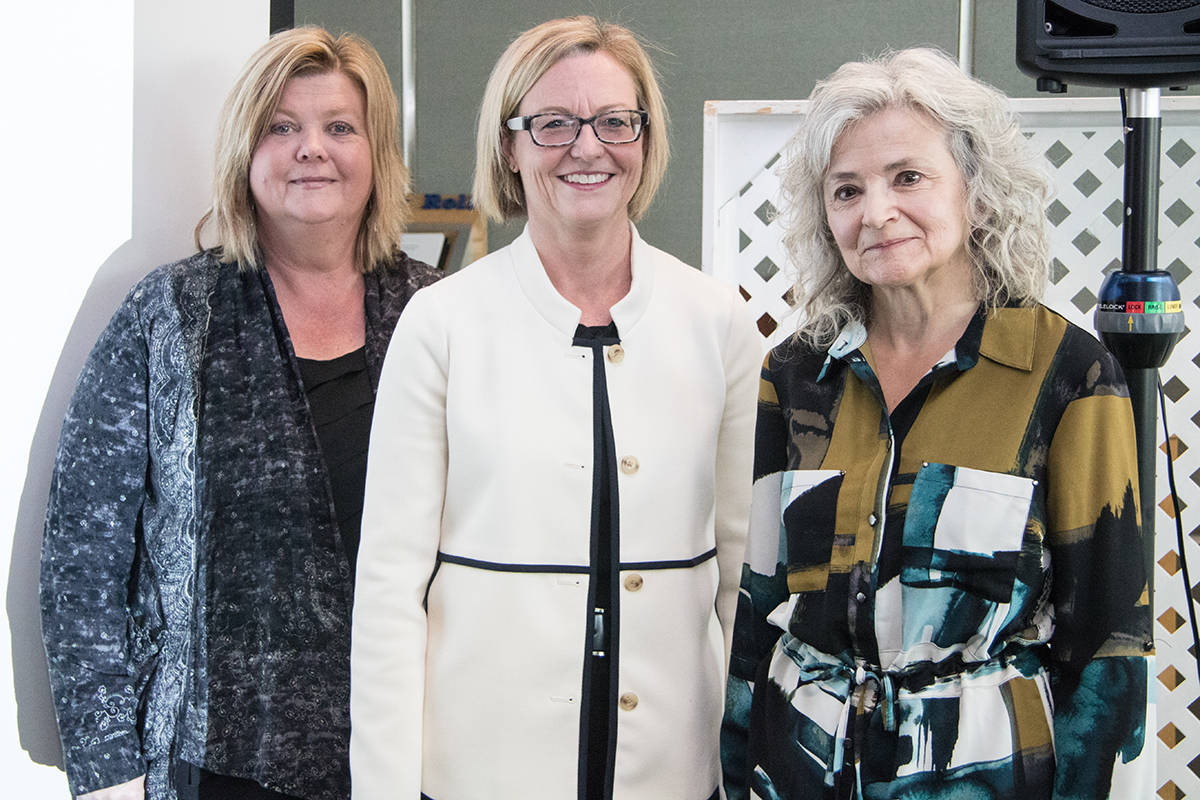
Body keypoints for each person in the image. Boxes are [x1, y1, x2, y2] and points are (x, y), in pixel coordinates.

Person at [349, 15, 761, 800]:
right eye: (553, 123)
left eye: (615, 121)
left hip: (675, 774)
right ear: (509, 145)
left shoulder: (718, 322)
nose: (588, 146)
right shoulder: (442, 324)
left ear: (644, 138)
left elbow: (742, 581)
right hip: (482, 773)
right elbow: (390, 592)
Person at [721, 48, 1150, 800]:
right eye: (846, 190)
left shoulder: (1067, 374)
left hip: (980, 776)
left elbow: (1108, 646)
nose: (876, 212)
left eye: (908, 178)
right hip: (798, 770)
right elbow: (757, 611)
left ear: (977, 194)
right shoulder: (794, 374)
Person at [40, 26, 439, 800]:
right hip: (214, 763)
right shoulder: (170, 313)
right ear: (244, 152)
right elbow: (81, 555)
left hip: (412, 754)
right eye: (281, 127)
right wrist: (107, 769)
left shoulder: (437, 314)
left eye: (339, 127)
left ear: (377, 154)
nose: (311, 149)